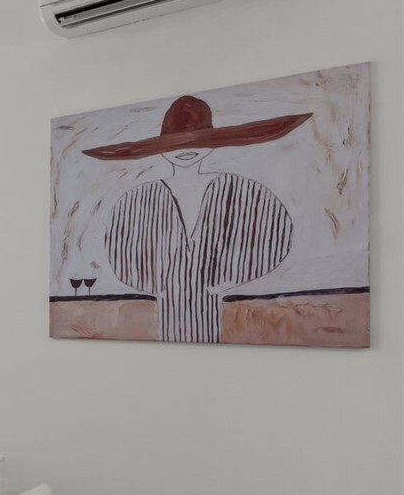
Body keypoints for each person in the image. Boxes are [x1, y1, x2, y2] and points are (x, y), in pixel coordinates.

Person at [83, 95, 310, 343]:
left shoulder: (241, 190)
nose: (185, 150)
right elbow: (120, 248)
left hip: (217, 301)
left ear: (213, 144)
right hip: (167, 306)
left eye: (197, 142)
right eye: (174, 144)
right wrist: (164, 285)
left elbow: (276, 234)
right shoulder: (138, 198)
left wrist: (223, 281)